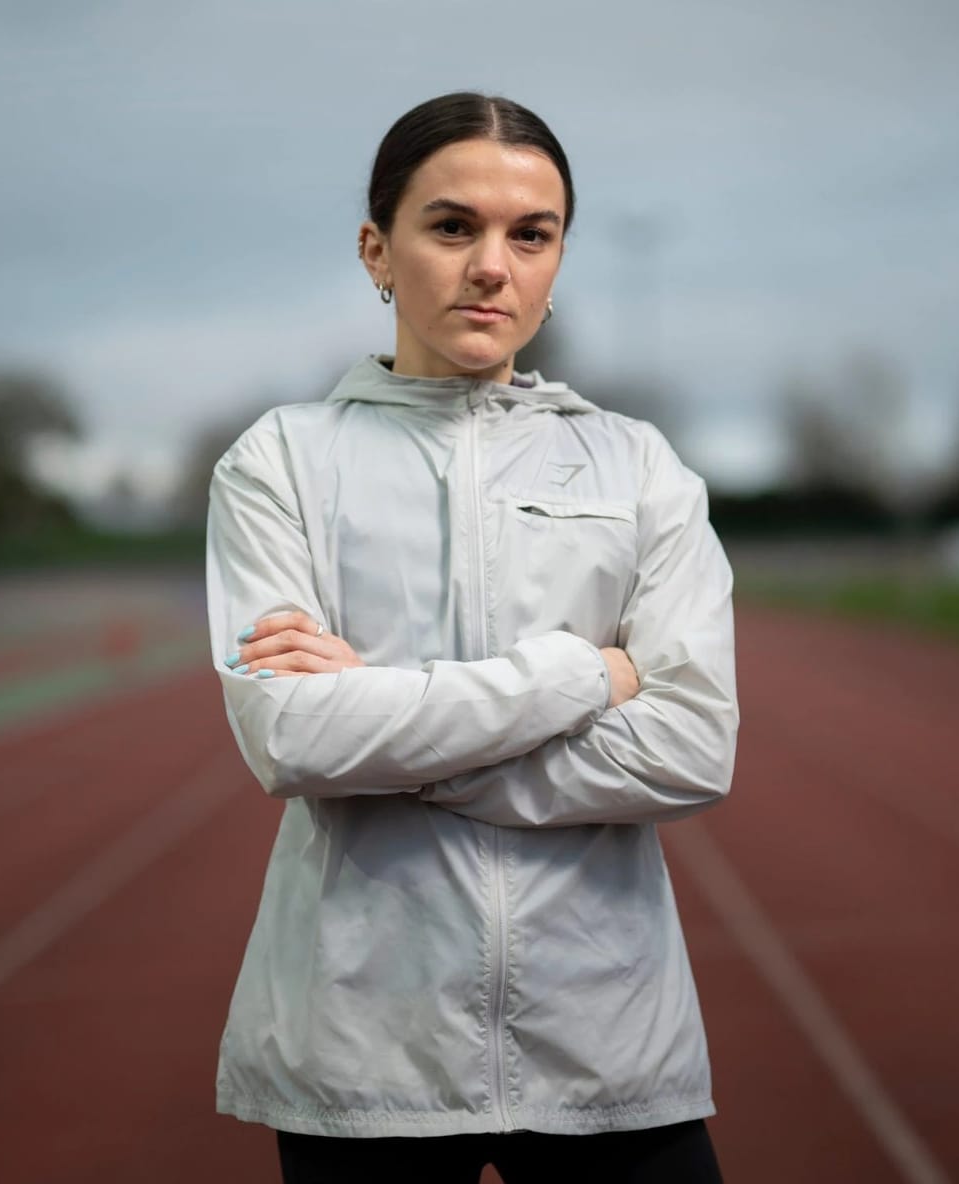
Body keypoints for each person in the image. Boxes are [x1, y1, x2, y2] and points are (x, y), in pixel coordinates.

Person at [206, 91, 739, 1184]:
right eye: (453, 226)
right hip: (363, 1054)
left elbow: (691, 747)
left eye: (530, 235)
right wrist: (579, 676)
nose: (492, 266)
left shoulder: (638, 467)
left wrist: (387, 724)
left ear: (556, 259)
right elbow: (293, 737)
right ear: (377, 249)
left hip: (609, 1045)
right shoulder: (279, 461)